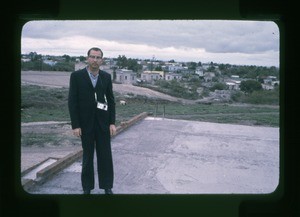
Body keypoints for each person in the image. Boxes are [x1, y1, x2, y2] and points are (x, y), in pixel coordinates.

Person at [68, 47, 116, 195]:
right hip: (85, 124)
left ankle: (107, 186)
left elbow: (111, 101)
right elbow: (72, 101)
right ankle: (87, 188)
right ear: (87, 58)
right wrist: (75, 125)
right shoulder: (76, 76)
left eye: (98, 57)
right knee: (87, 156)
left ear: (102, 60)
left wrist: (112, 123)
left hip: (102, 123)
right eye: (92, 57)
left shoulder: (106, 77)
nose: (95, 60)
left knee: (105, 155)